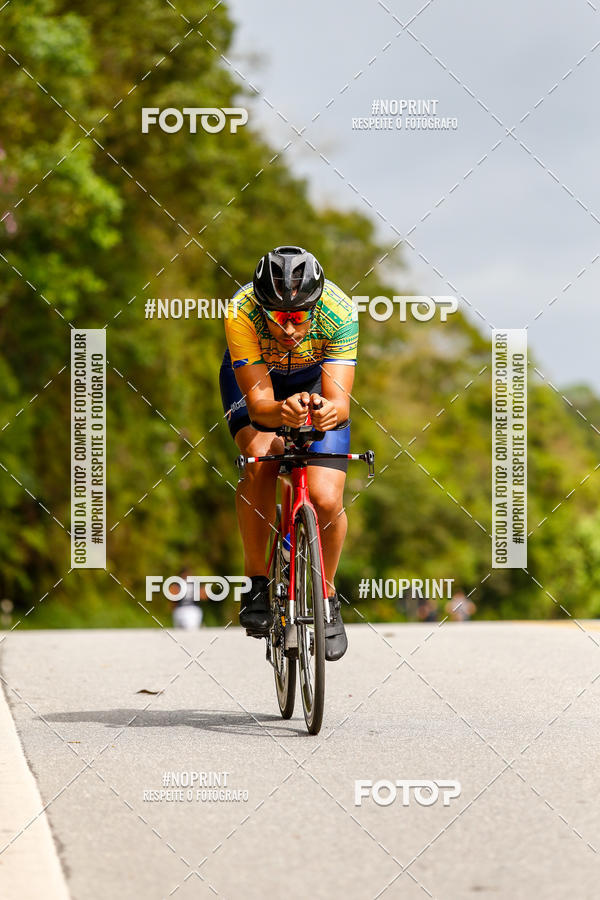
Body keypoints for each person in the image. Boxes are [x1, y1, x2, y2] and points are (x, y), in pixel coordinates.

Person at [219, 246, 358, 660]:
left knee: (327, 497)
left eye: (298, 317)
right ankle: (256, 582)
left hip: (317, 383)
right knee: (261, 458)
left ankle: (327, 596)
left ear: (316, 306)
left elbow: (340, 402)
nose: (289, 329)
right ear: (261, 307)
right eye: (278, 317)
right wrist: (281, 412)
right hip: (259, 384)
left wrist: (324, 411)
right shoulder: (240, 311)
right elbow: (260, 406)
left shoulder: (340, 310)